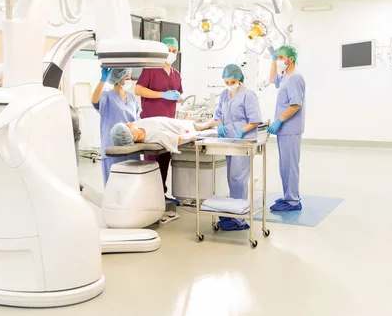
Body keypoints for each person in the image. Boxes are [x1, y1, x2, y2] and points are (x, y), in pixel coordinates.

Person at [197, 64, 262, 231]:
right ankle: (233, 211)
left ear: (239, 79)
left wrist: (242, 131)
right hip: (228, 141)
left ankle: (240, 219)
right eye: (225, 82)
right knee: (231, 178)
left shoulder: (248, 95)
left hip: (243, 141)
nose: (228, 84)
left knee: (238, 179)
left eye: (231, 81)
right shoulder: (225, 94)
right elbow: (218, 115)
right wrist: (212, 125)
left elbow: (255, 120)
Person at [135, 36, 184, 197]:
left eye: (174, 51)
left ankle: (160, 194)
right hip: (151, 124)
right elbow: (138, 90)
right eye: (168, 50)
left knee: (165, 160)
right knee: (152, 162)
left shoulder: (176, 74)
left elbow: (179, 95)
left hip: (168, 124)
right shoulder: (151, 69)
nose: (171, 53)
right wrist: (162, 94)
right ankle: (149, 196)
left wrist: (178, 97)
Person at [267, 45, 306, 212]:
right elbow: (271, 79)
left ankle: (293, 201)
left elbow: (296, 104)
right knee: (285, 165)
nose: (279, 61)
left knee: (290, 165)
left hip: (290, 128)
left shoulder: (295, 77)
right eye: (278, 58)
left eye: (281, 58)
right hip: (284, 130)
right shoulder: (285, 76)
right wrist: (273, 60)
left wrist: (279, 121)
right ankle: (288, 196)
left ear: (291, 59)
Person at [92, 68, 140, 186]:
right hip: (112, 148)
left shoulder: (132, 98)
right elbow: (94, 101)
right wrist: (102, 80)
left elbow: (138, 120)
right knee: (114, 187)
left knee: (132, 186)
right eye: (127, 78)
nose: (130, 81)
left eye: (130, 78)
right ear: (118, 79)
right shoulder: (107, 96)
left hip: (131, 148)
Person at [110, 117, 199, 154]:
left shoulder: (136, 125)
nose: (129, 123)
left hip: (177, 122)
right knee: (202, 126)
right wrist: (193, 136)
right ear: (134, 137)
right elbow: (178, 140)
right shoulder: (156, 135)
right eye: (128, 126)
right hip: (186, 127)